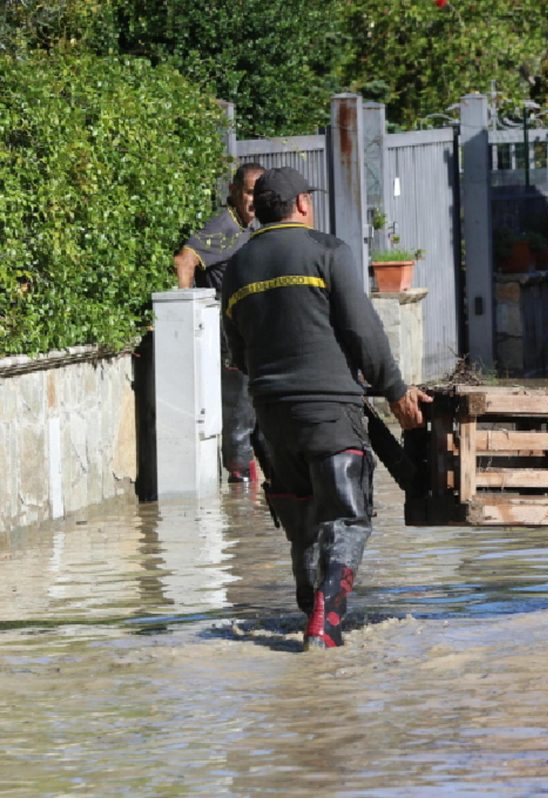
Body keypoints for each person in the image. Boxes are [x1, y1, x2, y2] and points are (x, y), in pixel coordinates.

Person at [222, 166, 432, 650]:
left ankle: (308, 611)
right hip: (331, 415)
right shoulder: (327, 252)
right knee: (346, 518)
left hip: (271, 419)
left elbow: (235, 352)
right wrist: (396, 390)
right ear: (301, 205)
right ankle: (326, 623)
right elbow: (363, 332)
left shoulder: (237, 267)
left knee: (302, 520)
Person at [173, 162, 266, 482]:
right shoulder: (224, 226)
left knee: (256, 416)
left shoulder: (250, 227)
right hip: (230, 339)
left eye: (260, 193)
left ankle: (253, 504)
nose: (255, 201)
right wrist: (187, 314)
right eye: (250, 192)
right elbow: (184, 260)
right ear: (234, 191)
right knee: (239, 417)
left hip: (251, 335)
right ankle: (241, 496)